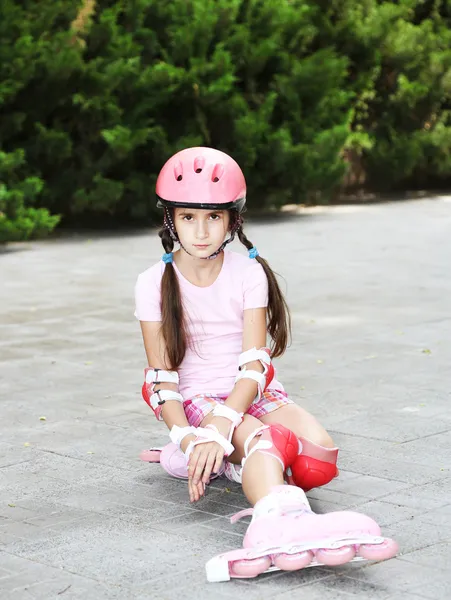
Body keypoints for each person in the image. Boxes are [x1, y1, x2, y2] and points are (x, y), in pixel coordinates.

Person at [134, 147, 398, 582]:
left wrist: (221, 425)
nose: (201, 232)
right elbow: (162, 380)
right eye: (188, 217)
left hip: (246, 389)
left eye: (214, 217)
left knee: (318, 461)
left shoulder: (248, 273)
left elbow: (255, 364)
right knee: (266, 442)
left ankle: (223, 459)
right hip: (198, 396)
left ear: (232, 221)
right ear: (170, 219)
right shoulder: (152, 283)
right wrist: (185, 435)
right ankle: (277, 520)